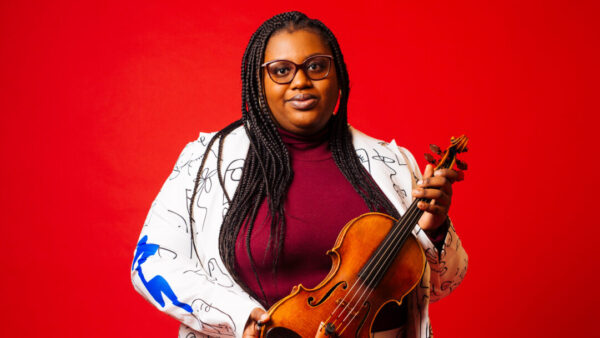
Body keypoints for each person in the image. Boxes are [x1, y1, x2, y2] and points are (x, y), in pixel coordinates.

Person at [131, 11, 467, 338]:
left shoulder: (392, 162)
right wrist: (240, 318)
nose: (301, 81)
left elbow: (441, 284)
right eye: (281, 71)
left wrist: (435, 228)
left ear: (338, 76)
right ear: (258, 82)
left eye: (316, 66)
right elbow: (152, 263)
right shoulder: (207, 162)